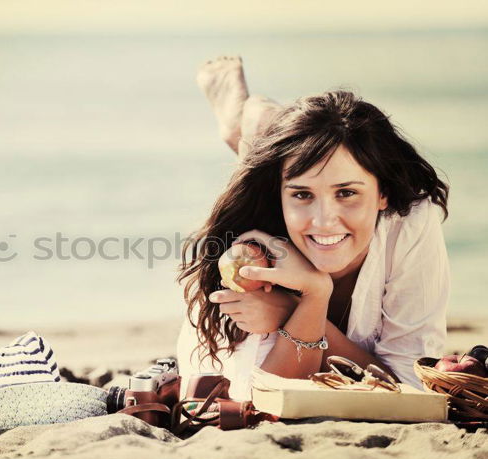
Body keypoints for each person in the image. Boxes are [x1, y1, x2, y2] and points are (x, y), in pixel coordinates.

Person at [177, 56, 450, 399]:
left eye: (347, 192)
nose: (324, 221)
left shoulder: (409, 221)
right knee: (275, 164)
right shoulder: (250, 253)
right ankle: (251, 133)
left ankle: (253, 130)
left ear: (383, 193)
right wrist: (314, 298)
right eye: (302, 194)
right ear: (280, 197)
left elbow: (413, 388)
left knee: (306, 160)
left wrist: (299, 308)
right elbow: (265, 397)